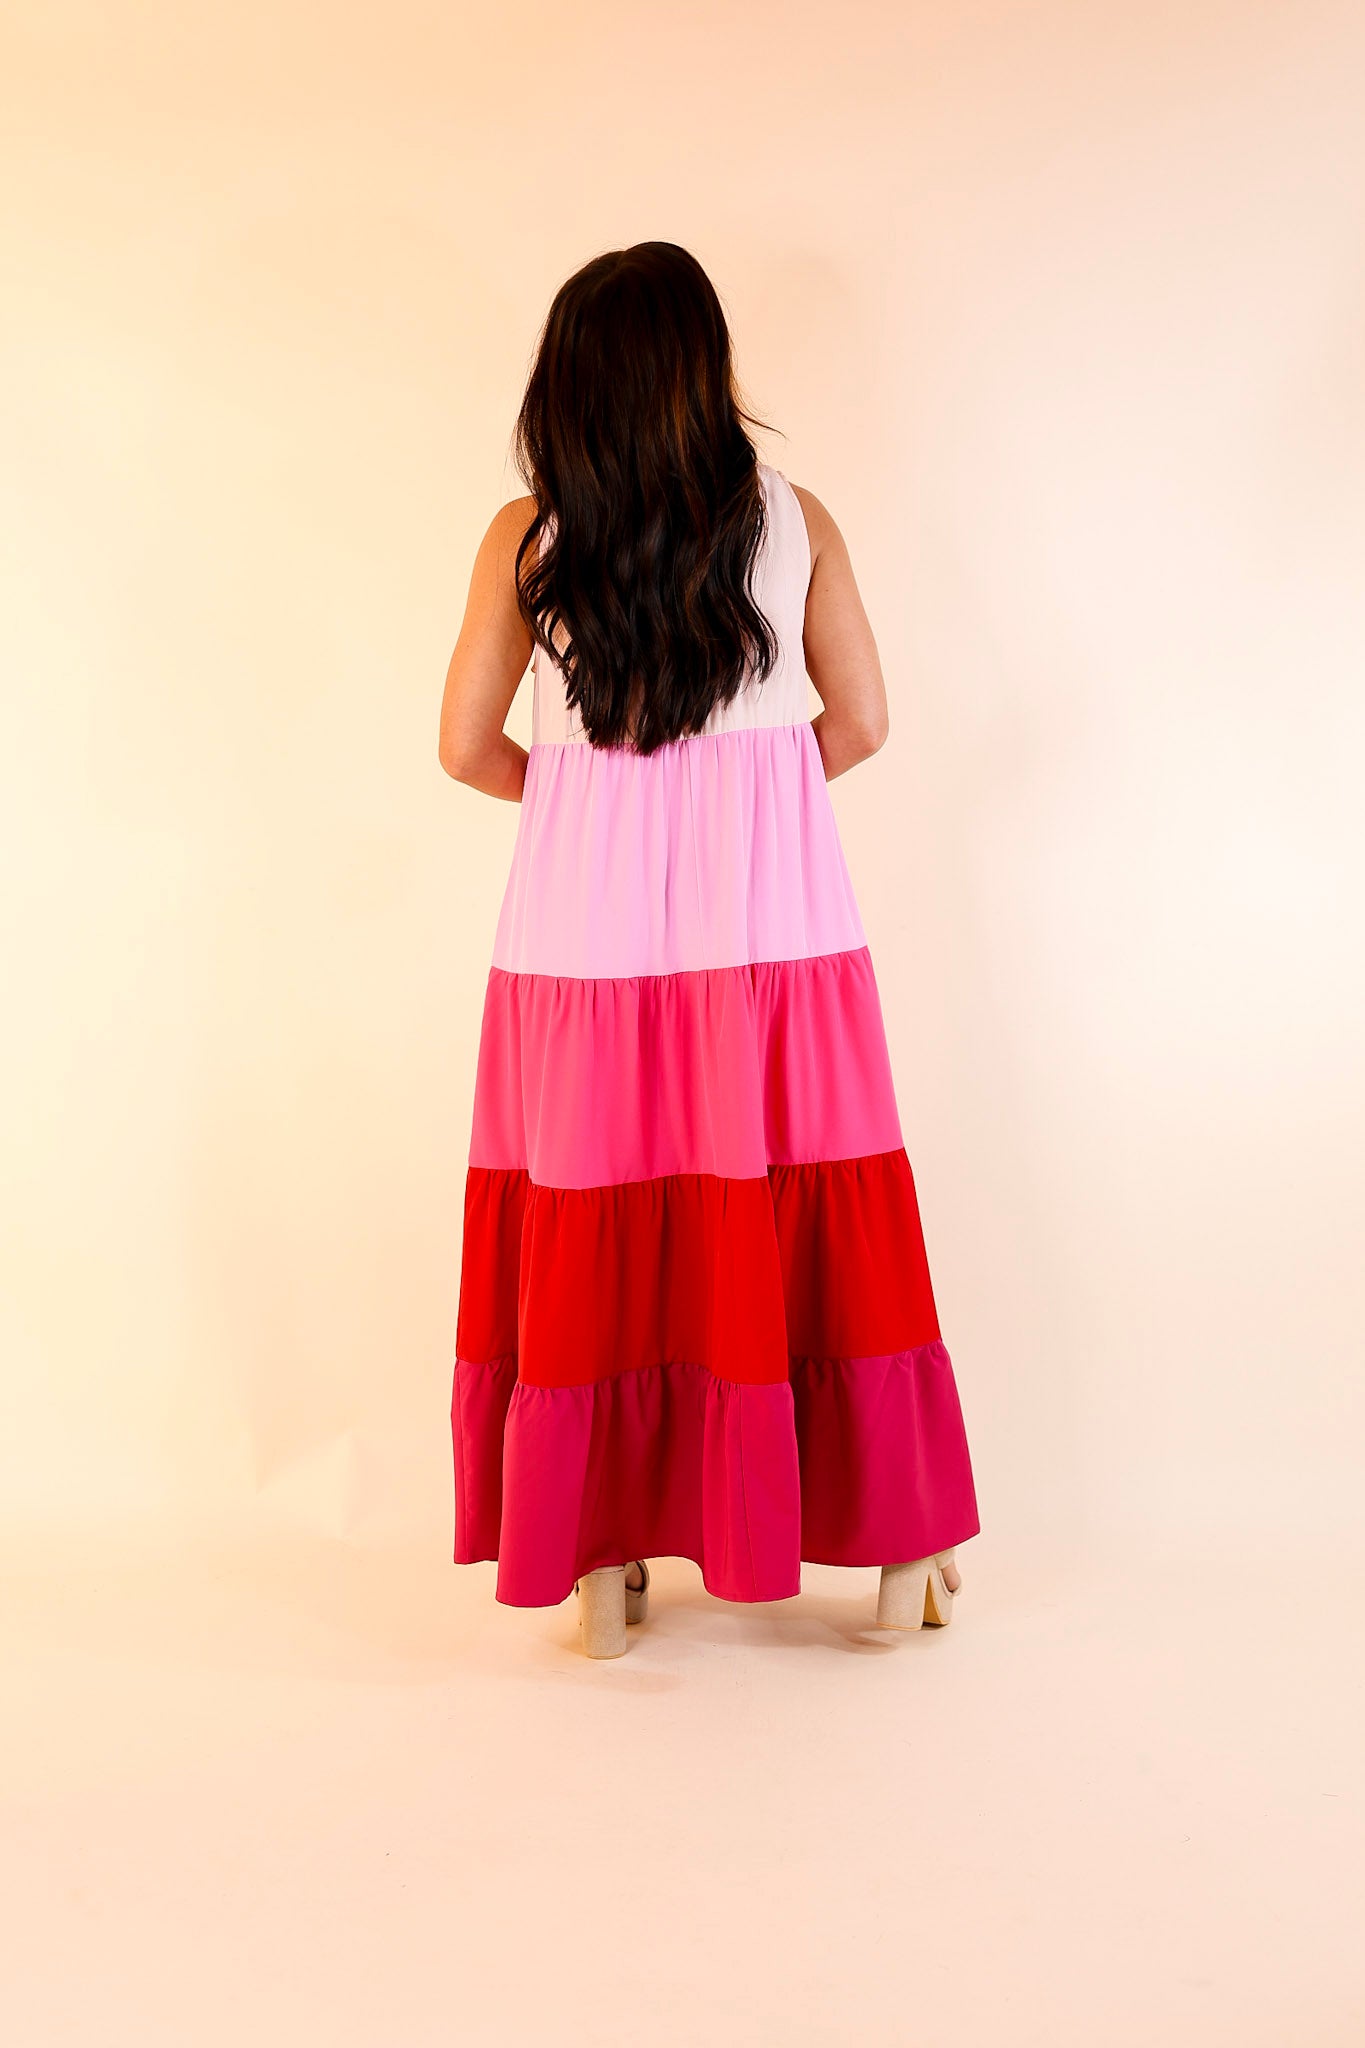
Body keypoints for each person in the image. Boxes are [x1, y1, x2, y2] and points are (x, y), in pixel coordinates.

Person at [439, 242, 978, 1658]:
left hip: (580, 946)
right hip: (773, 934)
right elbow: (861, 723)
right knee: (821, 1205)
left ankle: (600, 1558)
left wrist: (589, 807)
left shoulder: (527, 537)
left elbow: (464, 746)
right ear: (705, 373)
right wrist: (749, 803)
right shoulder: (797, 520)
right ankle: (902, 1551)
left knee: (597, 1220)